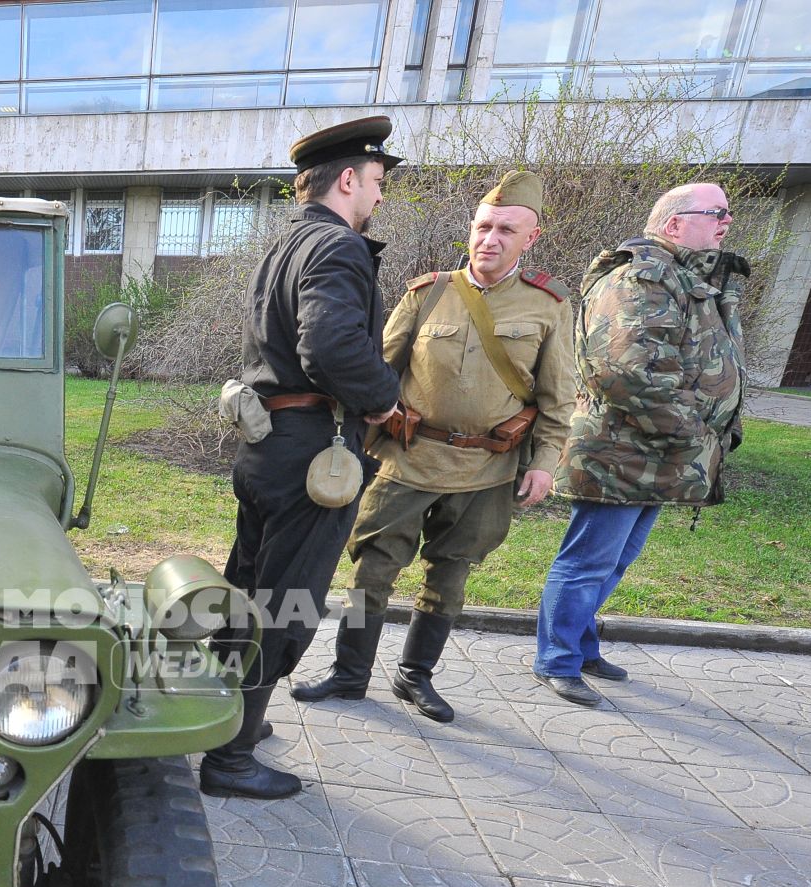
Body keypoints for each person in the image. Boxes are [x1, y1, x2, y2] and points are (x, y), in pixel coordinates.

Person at [293, 170, 573, 723]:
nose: (490, 239)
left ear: (530, 238)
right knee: (372, 570)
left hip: (486, 470)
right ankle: (349, 674)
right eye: (484, 226)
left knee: (451, 575)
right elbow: (377, 369)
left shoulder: (548, 306)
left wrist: (544, 464)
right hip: (407, 458)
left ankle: (414, 676)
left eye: (506, 230)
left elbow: (556, 397)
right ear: (471, 229)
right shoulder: (429, 292)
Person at [201, 116, 402, 800]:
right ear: (346, 179)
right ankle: (229, 757)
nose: (377, 197)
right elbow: (330, 349)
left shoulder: (286, 245)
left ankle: (230, 723)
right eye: (375, 183)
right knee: (283, 603)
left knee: (249, 589)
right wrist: (382, 400)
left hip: (269, 447)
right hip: (311, 455)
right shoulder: (337, 248)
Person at [532, 181, 748, 705]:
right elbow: (626, 369)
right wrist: (690, 432)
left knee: (615, 559)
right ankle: (555, 659)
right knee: (588, 560)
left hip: (657, 454)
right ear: (674, 224)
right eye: (715, 213)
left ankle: (580, 645)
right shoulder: (643, 276)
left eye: (727, 213)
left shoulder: (685, 276)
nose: (726, 223)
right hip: (622, 452)